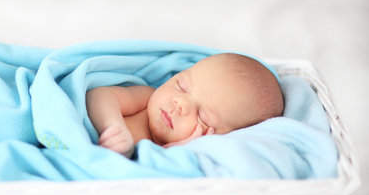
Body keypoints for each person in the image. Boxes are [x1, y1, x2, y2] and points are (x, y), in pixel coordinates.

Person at [86, 53, 284, 157]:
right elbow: (99, 96)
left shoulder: (184, 156)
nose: (180, 104)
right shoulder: (146, 100)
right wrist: (112, 126)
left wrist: (170, 151)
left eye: (202, 117)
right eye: (181, 86)